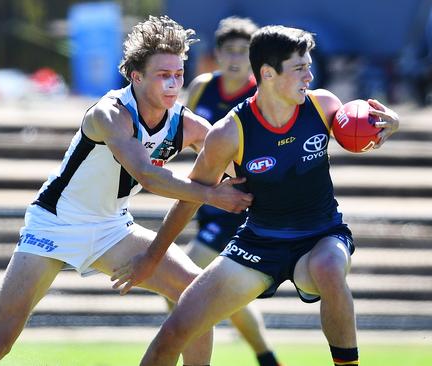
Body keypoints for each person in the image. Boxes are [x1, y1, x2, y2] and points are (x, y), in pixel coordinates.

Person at [0, 15, 253, 366]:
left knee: (195, 293)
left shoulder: (186, 124)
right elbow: (146, 175)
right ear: (136, 76)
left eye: (178, 75)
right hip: (55, 223)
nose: (173, 84)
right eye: (163, 75)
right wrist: (211, 195)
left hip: (111, 227)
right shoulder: (110, 114)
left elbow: (239, 160)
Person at [112, 25, 400, 366]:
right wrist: (153, 257)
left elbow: (362, 130)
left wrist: (389, 124)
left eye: (309, 66)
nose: (310, 76)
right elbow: (190, 196)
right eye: (300, 68)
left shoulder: (323, 105)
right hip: (258, 242)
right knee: (173, 333)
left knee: (328, 266)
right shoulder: (229, 134)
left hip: (321, 235)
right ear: (268, 73)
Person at [182, 16, 280, 366]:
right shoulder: (202, 87)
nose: (236, 58)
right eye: (229, 51)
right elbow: (187, 135)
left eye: (244, 51)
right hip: (210, 196)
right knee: (225, 291)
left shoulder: (263, 94)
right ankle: (267, 358)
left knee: (184, 274)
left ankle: (188, 342)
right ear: (217, 55)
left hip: (242, 201)